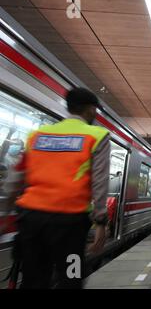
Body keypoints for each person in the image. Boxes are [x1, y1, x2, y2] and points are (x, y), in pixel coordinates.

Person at [2, 87, 110, 289]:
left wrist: (6, 212)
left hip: (31, 220)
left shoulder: (38, 135)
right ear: (91, 110)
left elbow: (15, 178)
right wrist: (101, 223)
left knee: (33, 279)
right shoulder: (97, 135)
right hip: (70, 224)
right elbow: (99, 183)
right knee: (72, 277)